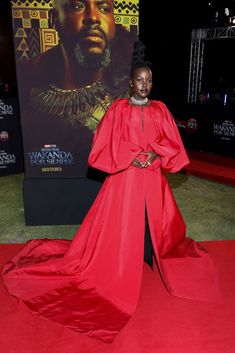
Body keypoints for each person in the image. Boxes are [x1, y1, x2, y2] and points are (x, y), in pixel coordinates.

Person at [1, 40, 221, 343]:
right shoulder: (117, 110)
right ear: (130, 83)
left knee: (153, 222)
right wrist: (132, 155)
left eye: (149, 81)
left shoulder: (161, 110)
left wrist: (155, 154)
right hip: (125, 181)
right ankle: (120, 262)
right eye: (139, 80)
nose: (145, 85)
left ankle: (149, 254)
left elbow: (172, 145)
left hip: (153, 180)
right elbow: (104, 147)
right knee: (121, 226)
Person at [18, 0, 136, 177]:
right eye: (77, 7)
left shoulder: (131, 84)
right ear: (54, 19)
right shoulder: (29, 78)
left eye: (104, 9)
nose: (93, 17)